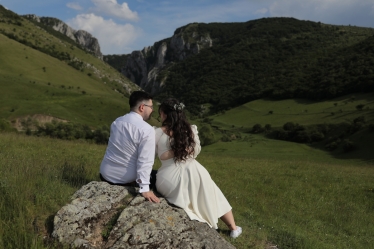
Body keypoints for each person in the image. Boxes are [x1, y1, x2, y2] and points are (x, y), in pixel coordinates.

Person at [154, 98, 242, 238]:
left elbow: (149, 156)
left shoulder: (157, 133)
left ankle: (226, 224)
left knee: (197, 180)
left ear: (164, 114)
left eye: (161, 113)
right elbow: (196, 151)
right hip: (194, 172)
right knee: (210, 189)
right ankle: (233, 227)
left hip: (166, 179)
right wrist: (182, 150)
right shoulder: (190, 130)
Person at [100, 91, 160, 203]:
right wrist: (145, 189)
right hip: (126, 180)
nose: (152, 110)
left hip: (105, 175)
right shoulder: (146, 130)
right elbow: (145, 161)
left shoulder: (117, 122)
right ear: (142, 107)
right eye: (151, 107)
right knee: (160, 175)